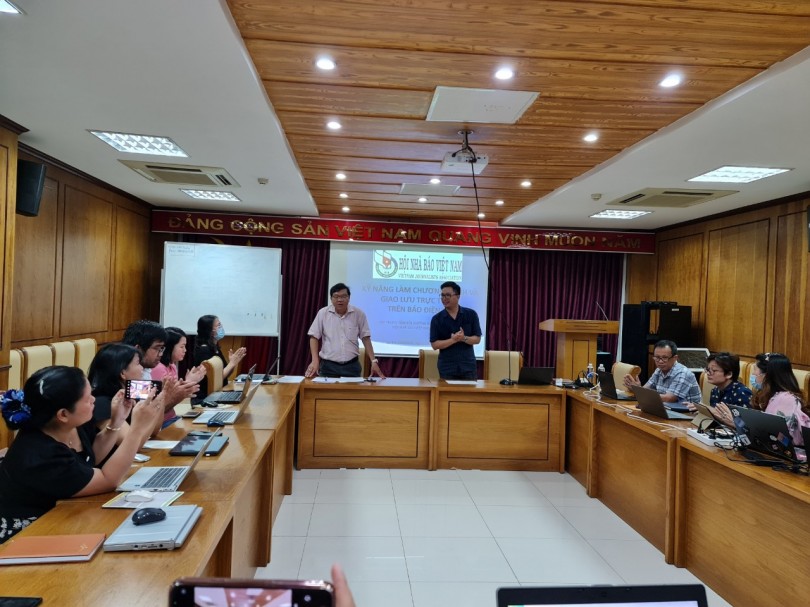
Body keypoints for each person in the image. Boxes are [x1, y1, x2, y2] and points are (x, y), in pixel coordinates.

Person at [0, 365, 163, 543]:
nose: (93, 400)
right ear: (63, 414)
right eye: (87, 398)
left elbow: (89, 459)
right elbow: (108, 480)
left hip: (64, 515)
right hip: (28, 535)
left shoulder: (70, 426)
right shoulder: (40, 454)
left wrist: (117, 421)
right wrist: (137, 429)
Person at [716, 352, 810, 446]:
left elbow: (775, 440)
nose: (753, 373)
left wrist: (735, 423)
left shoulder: (786, 399)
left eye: (755, 369)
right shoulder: (768, 395)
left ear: (766, 375)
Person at [305, 283, 385, 379]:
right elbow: (314, 337)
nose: (340, 300)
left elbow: (366, 338)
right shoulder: (323, 313)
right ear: (331, 298)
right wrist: (315, 360)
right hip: (328, 366)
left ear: (349, 298)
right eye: (336, 296)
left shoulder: (358, 314)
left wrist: (373, 361)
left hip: (351, 366)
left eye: (343, 296)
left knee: (352, 389)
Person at [123, 319, 198, 416]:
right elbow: (148, 415)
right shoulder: (128, 376)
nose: (160, 354)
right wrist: (175, 396)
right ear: (138, 349)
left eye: (162, 349)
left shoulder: (146, 370)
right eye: (157, 348)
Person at [152, 327, 206, 426]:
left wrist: (188, 383)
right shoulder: (158, 368)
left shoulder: (172, 365)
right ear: (170, 347)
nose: (185, 350)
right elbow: (160, 406)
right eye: (182, 347)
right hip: (161, 422)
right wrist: (188, 383)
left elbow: (174, 397)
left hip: (172, 417)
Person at [429, 281, 482, 380]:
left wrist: (463, 338)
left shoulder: (471, 314)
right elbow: (435, 345)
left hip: (468, 367)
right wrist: (453, 340)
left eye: (448, 295)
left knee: (469, 390)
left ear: (458, 296)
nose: (444, 298)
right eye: (442, 295)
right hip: (447, 368)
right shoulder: (437, 319)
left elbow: (477, 339)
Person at [623, 339, 701, 403]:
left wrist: (640, 391)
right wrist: (637, 388)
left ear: (675, 358)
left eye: (664, 358)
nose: (660, 361)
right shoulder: (659, 370)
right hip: (666, 409)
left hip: (688, 414)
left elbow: (669, 398)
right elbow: (646, 390)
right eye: (657, 357)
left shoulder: (682, 373)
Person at [193, 315, 247, 397]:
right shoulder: (204, 350)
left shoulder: (215, 347)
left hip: (219, 392)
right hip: (206, 397)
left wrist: (233, 363)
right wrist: (231, 363)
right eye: (218, 325)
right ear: (210, 330)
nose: (221, 327)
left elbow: (225, 375)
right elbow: (215, 379)